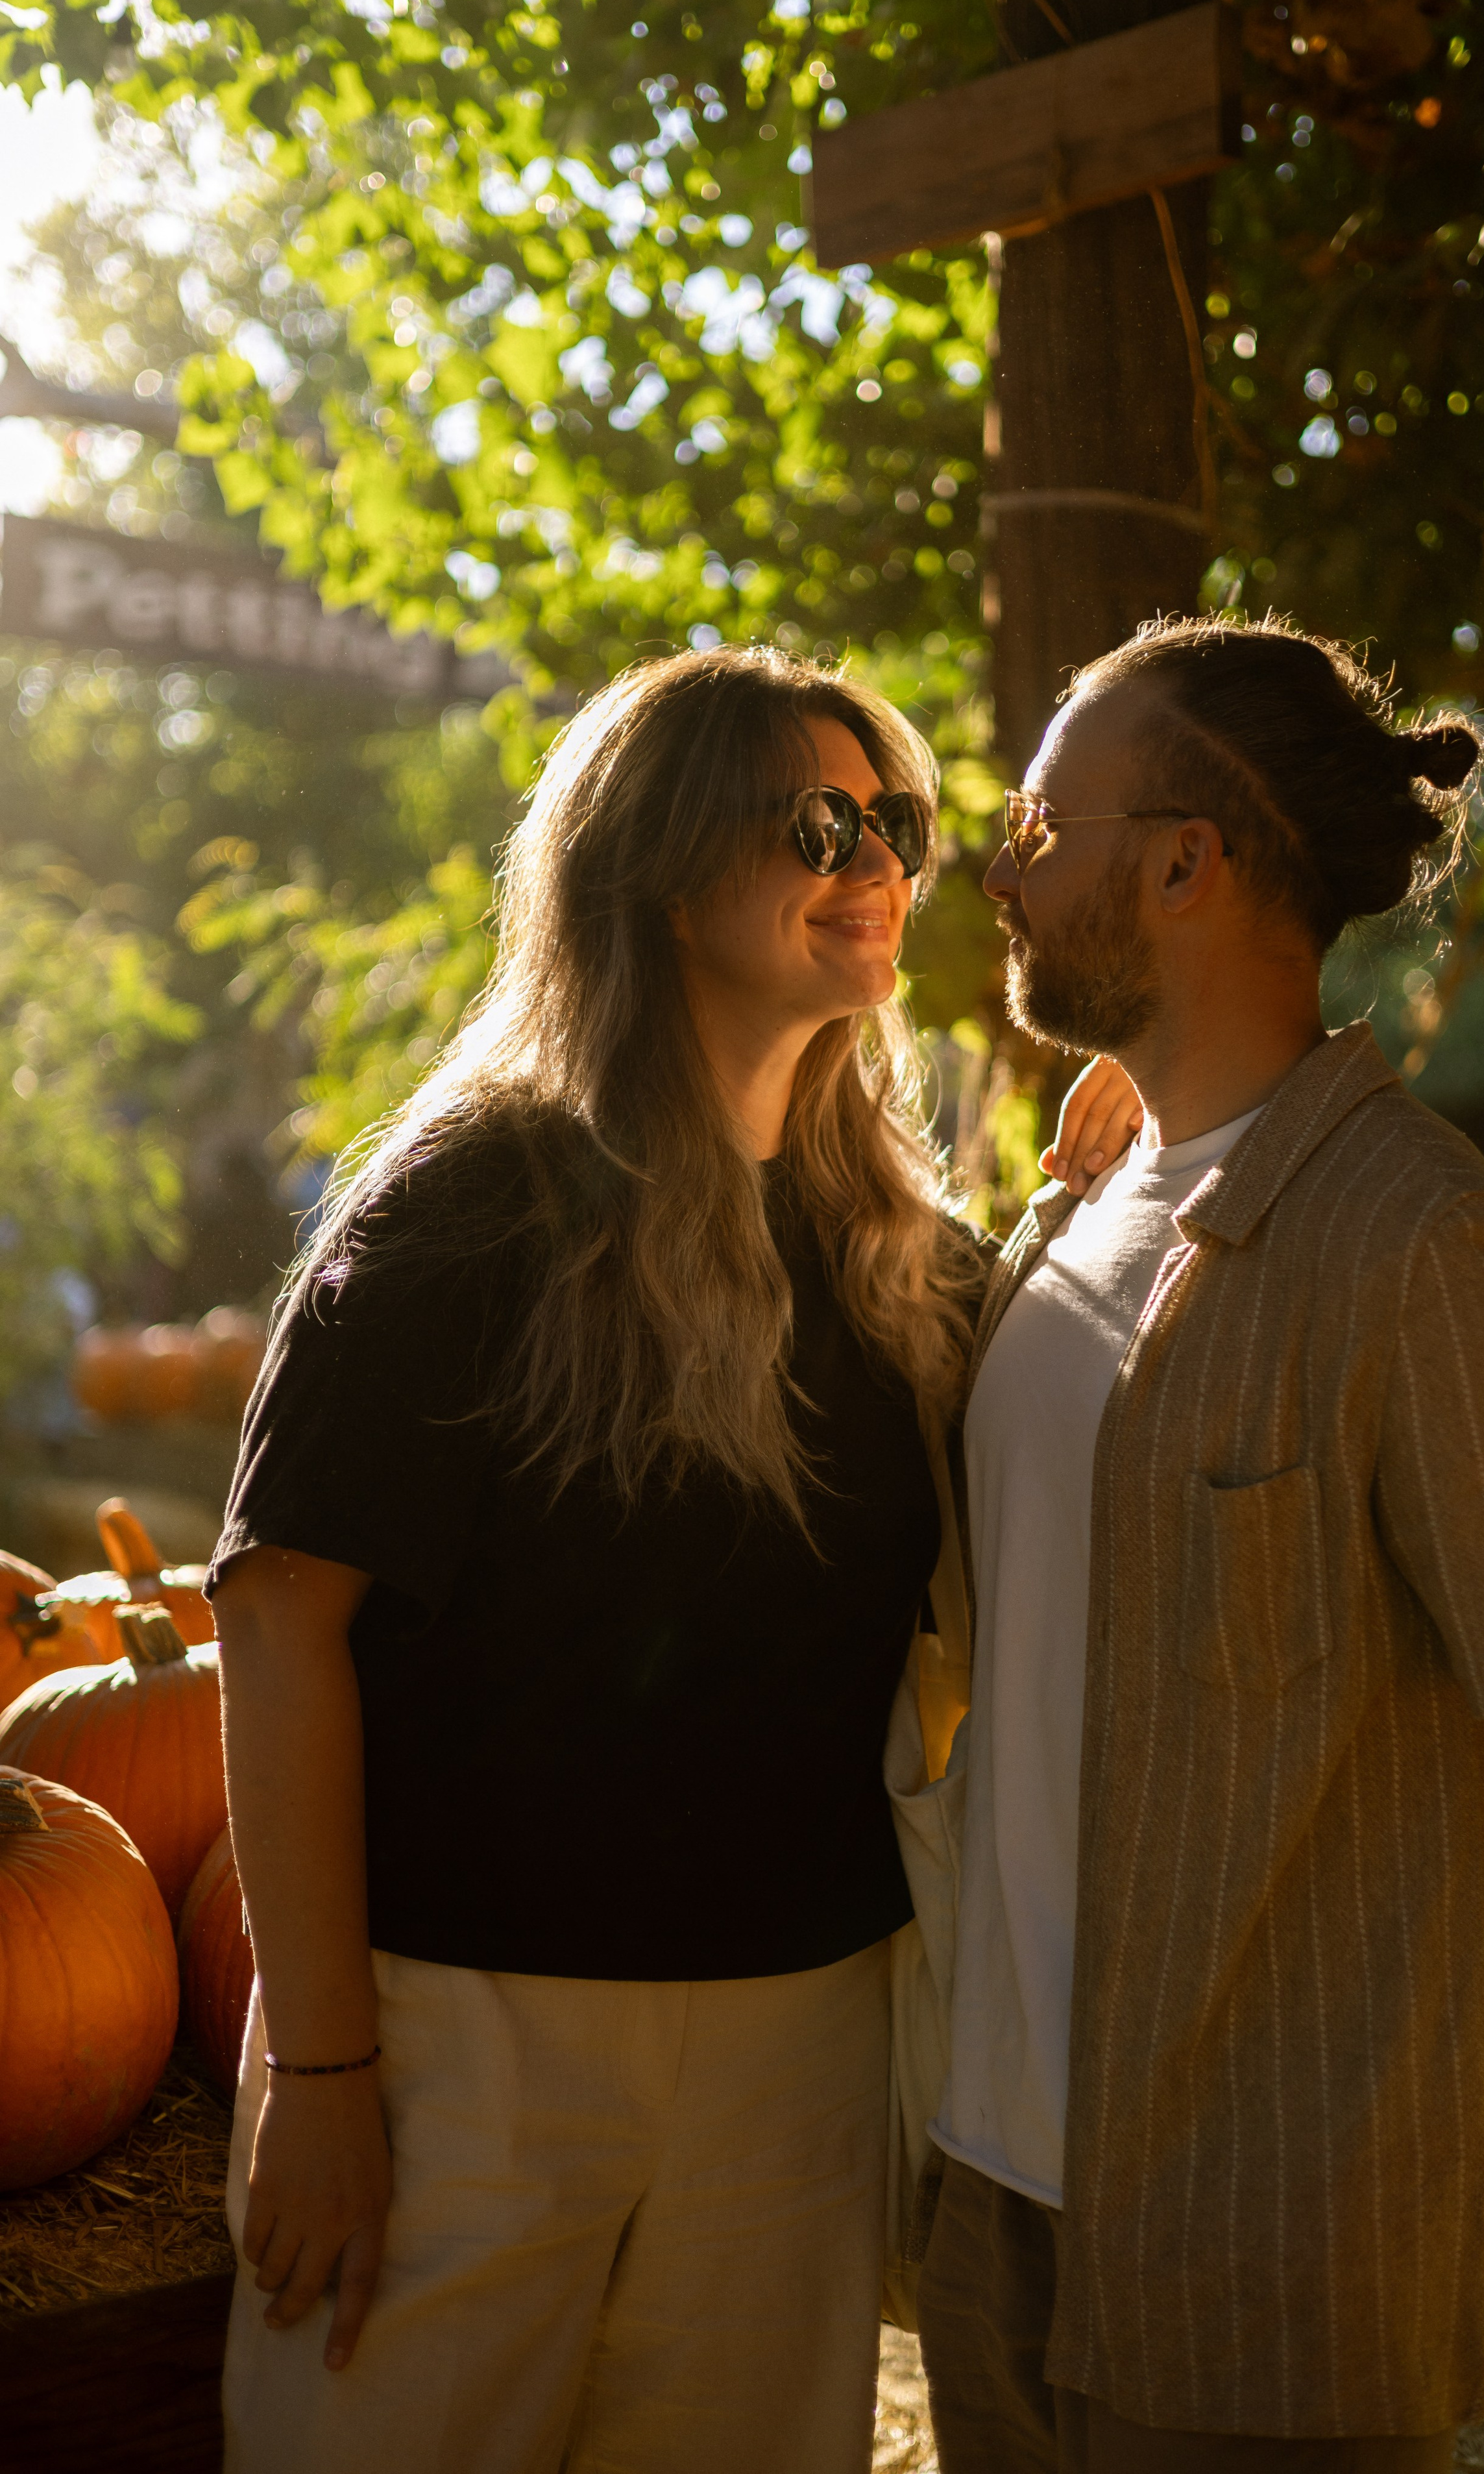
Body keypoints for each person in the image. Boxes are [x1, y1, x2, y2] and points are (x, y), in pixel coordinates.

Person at [206, 644, 990, 2474]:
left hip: (801, 2042)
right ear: (657, 868)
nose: (873, 861)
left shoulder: (895, 1253)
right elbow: (276, 1621)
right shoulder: (465, 1209)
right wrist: (323, 2076)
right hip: (468, 2045)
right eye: (819, 823)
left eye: (900, 824)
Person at [916, 612, 1484, 2473]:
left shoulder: (1428, 1260)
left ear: (1184, 862)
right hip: (996, 2198)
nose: (1002, 869)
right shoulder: (1077, 1219)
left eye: (1038, 823)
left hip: (1274, 2251)